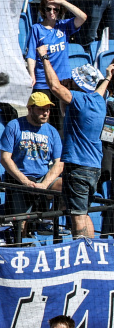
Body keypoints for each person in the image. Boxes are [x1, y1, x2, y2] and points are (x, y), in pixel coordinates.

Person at [40, 56, 112, 239]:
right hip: (93, 167)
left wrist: (44, 58)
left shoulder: (80, 99)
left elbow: (54, 86)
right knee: (84, 213)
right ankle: (90, 250)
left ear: (78, 84)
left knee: (77, 217)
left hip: (78, 167)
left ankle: (81, 250)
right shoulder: (99, 101)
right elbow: (100, 89)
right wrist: (108, 77)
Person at [0, 92, 64, 216]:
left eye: (47, 110)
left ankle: (49, 219)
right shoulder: (14, 126)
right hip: (19, 180)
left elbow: (59, 163)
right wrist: (26, 182)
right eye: (41, 109)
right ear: (29, 109)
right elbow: (4, 158)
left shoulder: (52, 131)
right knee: (21, 222)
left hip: (44, 179)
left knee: (69, 187)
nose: (45, 113)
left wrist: (44, 184)